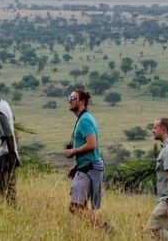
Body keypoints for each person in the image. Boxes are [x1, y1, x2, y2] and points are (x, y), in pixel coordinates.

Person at [64, 89, 110, 230]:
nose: (70, 100)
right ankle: (97, 230)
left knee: (75, 207)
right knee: (80, 206)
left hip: (89, 167)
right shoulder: (84, 118)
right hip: (86, 166)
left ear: (82, 101)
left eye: (73, 97)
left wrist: (73, 151)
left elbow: (92, 144)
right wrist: (77, 165)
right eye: (69, 97)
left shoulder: (84, 120)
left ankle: (105, 228)